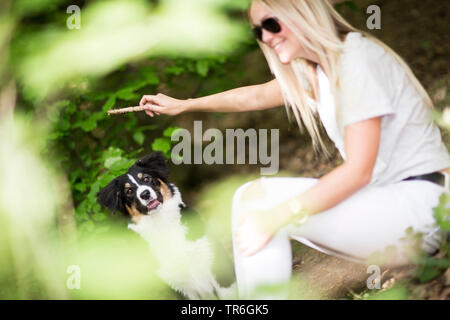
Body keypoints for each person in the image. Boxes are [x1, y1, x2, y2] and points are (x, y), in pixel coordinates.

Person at [139, 0, 450, 299]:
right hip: (392, 205)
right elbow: (256, 97)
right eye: (258, 31)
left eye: (272, 24)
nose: (266, 37)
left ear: (303, 11)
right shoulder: (316, 70)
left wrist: (279, 215)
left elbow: (359, 170)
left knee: (259, 205)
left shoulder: (356, 58)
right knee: (250, 200)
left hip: (425, 206)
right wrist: (185, 105)